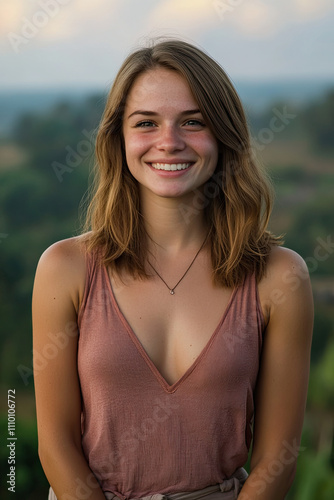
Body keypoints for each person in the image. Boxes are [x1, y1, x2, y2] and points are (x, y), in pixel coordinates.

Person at [32, 39, 314, 500]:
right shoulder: (64, 270)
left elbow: (276, 460)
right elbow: (55, 446)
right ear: (118, 138)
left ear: (224, 136)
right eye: (146, 123)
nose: (169, 142)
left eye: (193, 122)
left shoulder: (279, 278)